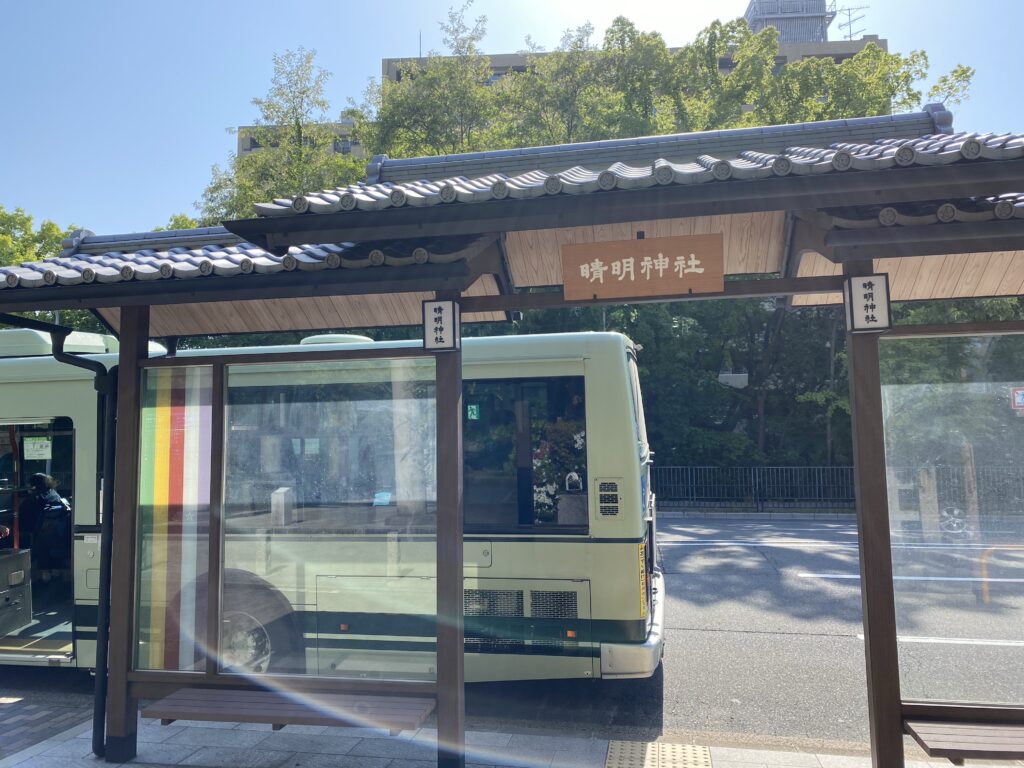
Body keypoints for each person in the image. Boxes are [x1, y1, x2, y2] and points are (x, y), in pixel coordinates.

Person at [27, 474, 71, 582]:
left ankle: (44, 574)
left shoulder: (39, 499)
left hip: (43, 532)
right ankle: (56, 570)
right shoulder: (54, 495)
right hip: (59, 532)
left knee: (39, 542)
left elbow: (33, 518)